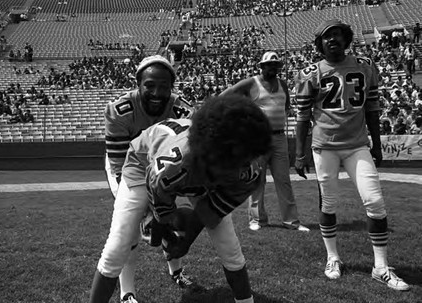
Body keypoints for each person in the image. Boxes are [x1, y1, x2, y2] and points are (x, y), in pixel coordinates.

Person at [89, 94, 273, 303]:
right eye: (227, 161)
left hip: (185, 169)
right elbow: (159, 190)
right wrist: (162, 226)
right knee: (118, 244)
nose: (234, 169)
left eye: (240, 161)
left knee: (229, 245)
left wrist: (187, 237)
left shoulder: (248, 170)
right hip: (142, 164)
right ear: (209, 150)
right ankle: (124, 292)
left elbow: (209, 212)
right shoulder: (172, 167)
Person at [294, 19, 410, 291]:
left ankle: (381, 267)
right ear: (319, 43)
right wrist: (299, 154)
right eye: (327, 37)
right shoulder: (310, 72)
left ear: (346, 40)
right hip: (325, 145)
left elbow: (372, 107)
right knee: (329, 204)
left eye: (337, 35)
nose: (332, 40)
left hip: (357, 144)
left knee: (375, 201)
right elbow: (302, 117)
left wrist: (377, 144)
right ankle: (332, 257)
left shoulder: (365, 65)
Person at [104, 55, 195, 302]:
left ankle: (176, 271)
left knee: (166, 216)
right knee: (130, 227)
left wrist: (159, 208)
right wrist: (146, 211)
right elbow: (121, 166)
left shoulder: (183, 110)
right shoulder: (120, 110)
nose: (157, 92)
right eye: (150, 85)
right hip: (127, 166)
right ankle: (127, 292)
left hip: (166, 166)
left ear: (172, 87)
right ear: (138, 83)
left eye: (164, 86)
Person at [220, 51, 309, 232]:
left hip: (279, 137)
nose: (273, 68)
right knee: (256, 180)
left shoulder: (283, 84)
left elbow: (285, 107)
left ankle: (291, 221)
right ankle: (257, 220)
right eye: (269, 65)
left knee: (283, 180)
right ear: (262, 66)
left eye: (276, 65)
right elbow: (226, 94)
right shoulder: (252, 82)